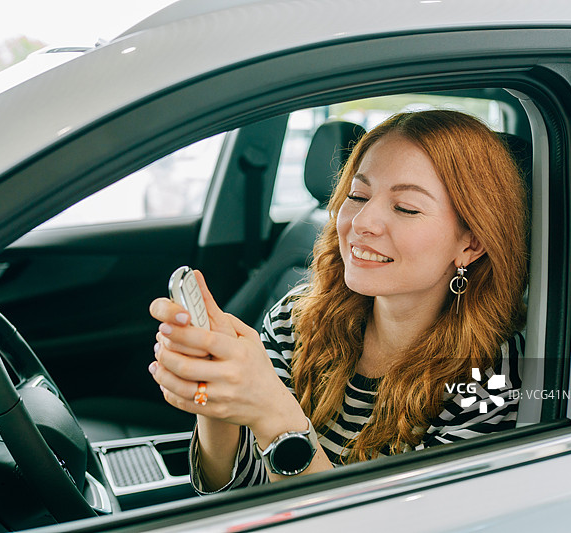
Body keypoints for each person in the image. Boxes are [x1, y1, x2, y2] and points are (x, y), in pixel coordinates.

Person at [148, 110, 528, 493]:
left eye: (405, 208)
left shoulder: (494, 379)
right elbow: (239, 492)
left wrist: (274, 414)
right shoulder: (296, 319)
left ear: (471, 243)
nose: (361, 222)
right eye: (358, 196)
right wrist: (215, 398)